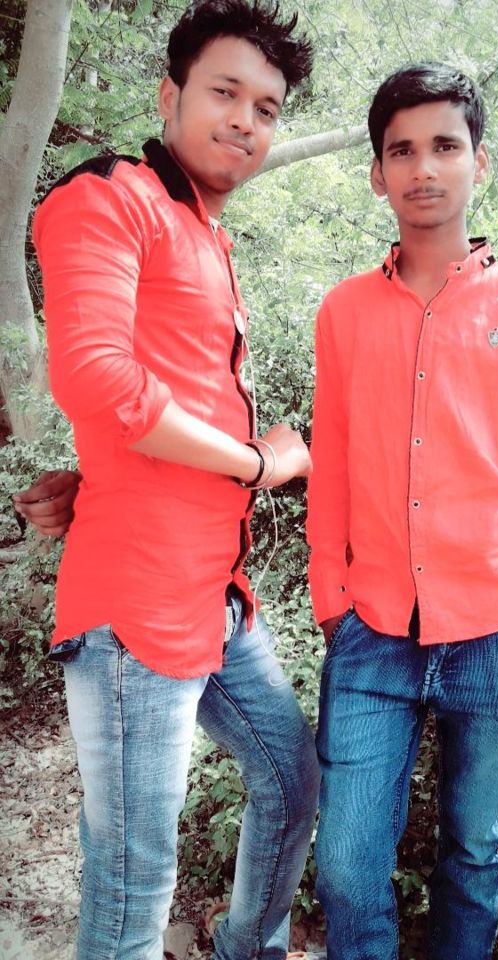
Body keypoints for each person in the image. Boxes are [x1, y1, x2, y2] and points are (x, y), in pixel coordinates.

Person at [19, 3, 321, 959]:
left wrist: (92, 473)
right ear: (169, 95)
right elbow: (98, 378)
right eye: (225, 92)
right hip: (136, 609)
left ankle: (246, 947)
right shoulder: (109, 197)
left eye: (266, 108)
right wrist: (260, 463)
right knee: (132, 888)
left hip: (214, 597)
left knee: (292, 780)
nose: (245, 120)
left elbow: (157, 400)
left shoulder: (206, 232)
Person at [305, 63, 498, 959]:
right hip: (372, 633)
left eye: (445, 145)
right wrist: (331, 598)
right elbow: (332, 465)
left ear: (479, 161)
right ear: (377, 172)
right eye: (402, 151)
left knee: (472, 851)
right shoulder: (345, 312)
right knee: (346, 865)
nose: (424, 167)